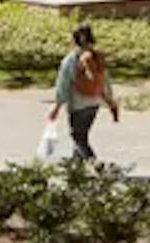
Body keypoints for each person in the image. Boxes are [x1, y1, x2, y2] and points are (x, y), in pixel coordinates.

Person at [49, 22, 119, 163]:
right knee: (82, 135)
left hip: (78, 104)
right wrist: (110, 102)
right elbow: (105, 82)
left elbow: (64, 84)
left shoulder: (70, 60)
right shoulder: (96, 57)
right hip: (94, 103)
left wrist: (57, 106)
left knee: (78, 137)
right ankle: (76, 169)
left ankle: (94, 163)